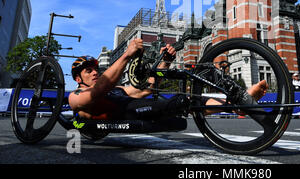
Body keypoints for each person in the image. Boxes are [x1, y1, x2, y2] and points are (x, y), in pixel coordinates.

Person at [68, 38, 268, 121]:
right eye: (88, 71)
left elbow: (146, 90)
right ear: (78, 78)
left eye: (95, 69)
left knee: (190, 99)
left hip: (141, 104)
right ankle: (236, 106)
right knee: (181, 102)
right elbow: (98, 92)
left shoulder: (117, 88)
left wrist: (165, 62)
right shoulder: (75, 97)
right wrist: (126, 55)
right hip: (129, 113)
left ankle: (237, 105)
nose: (94, 72)